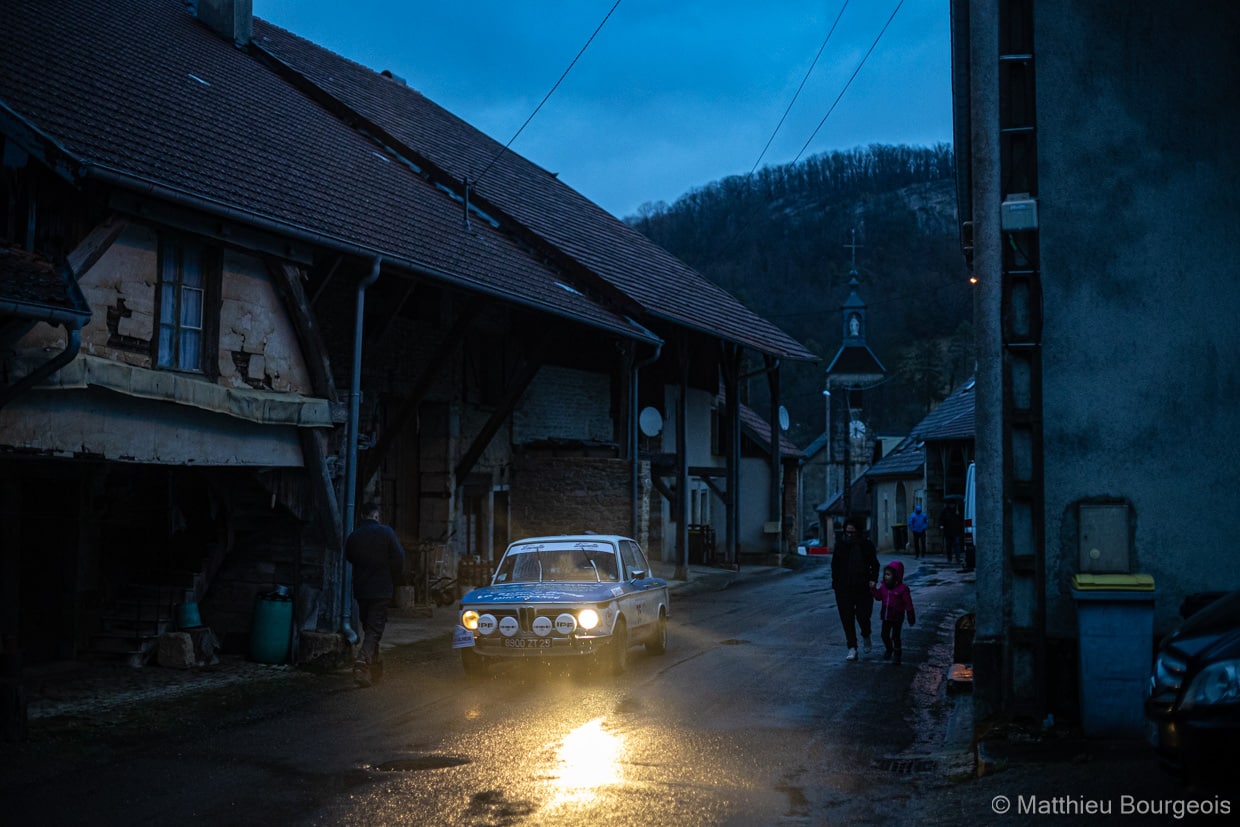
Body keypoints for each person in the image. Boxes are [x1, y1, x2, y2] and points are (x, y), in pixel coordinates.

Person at [345, 502, 406, 687]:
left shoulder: (354, 536)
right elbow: (400, 557)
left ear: (362, 516)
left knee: (370, 628)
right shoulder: (386, 532)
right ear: (376, 516)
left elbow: (349, 557)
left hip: (362, 589)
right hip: (381, 588)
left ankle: (375, 667)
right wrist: (391, 575)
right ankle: (362, 664)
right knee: (374, 629)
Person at [830, 515, 880, 662]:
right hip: (844, 587)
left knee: (863, 615)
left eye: (852, 532)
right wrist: (836, 583)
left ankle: (866, 633)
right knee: (847, 617)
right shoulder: (840, 545)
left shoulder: (866, 545)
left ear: (858, 532)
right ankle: (852, 647)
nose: (850, 535)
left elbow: (875, 565)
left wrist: (873, 579)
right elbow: (835, 566)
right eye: (847, 532)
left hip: (862, 586)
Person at [870, 560, 916, 665]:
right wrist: (873, 589)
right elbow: (878, 597)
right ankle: (889, 649)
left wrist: (910, 614)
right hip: (886, 616)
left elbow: (908, 603)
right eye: (885, 574)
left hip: (897, 616)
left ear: (896, 575)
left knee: (896, 636)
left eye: (889, 574)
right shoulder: (883, 587)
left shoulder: (903, 589)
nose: (886, 577)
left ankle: (897, 654)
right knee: (884, 635)